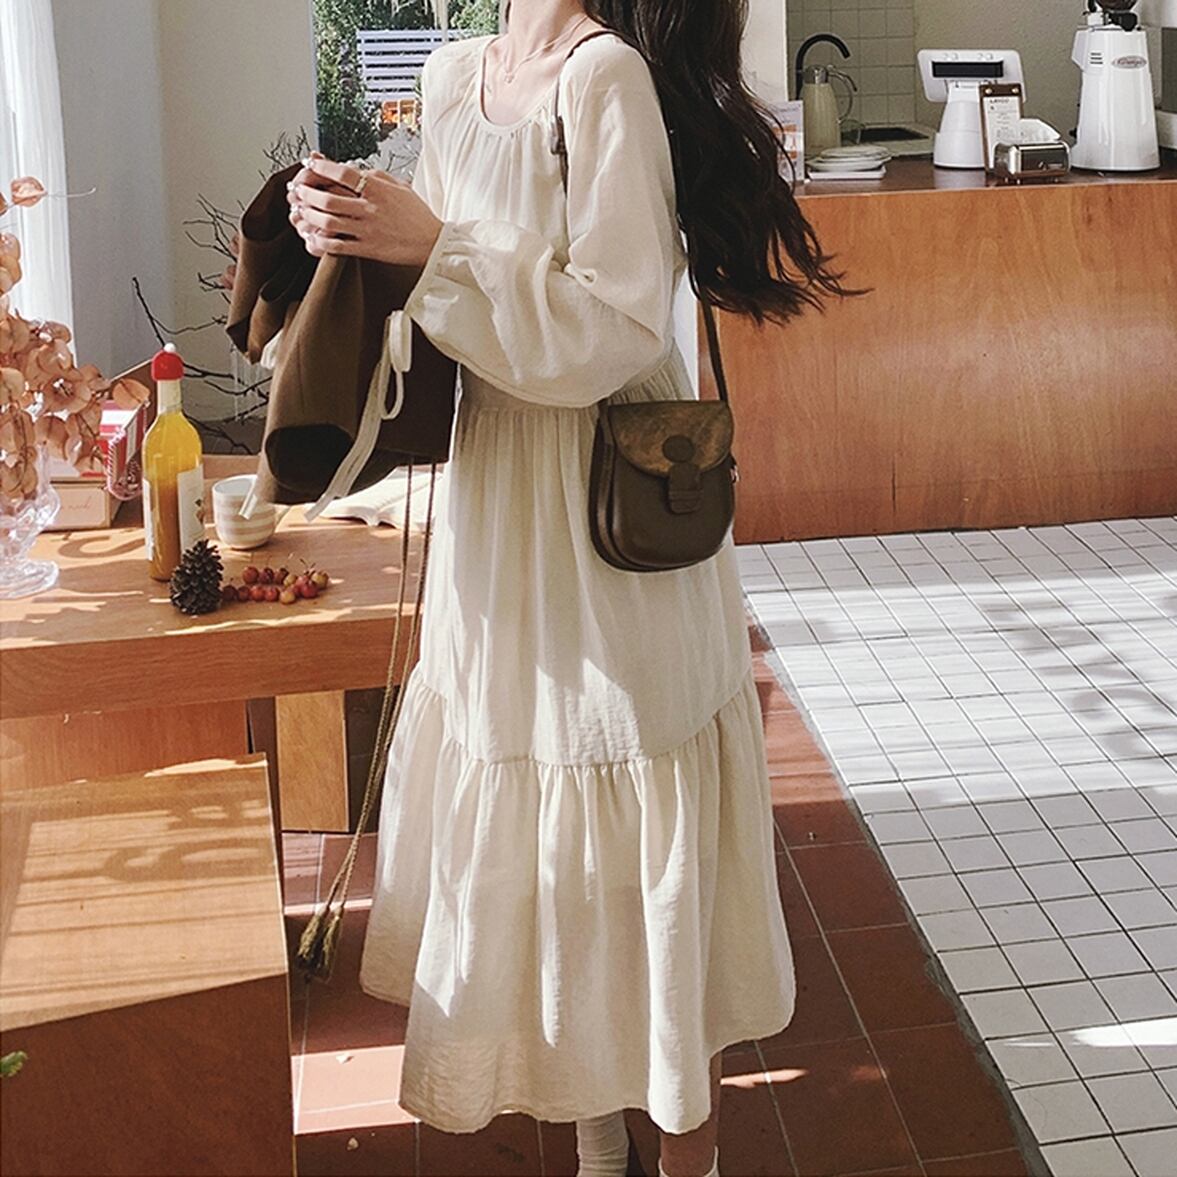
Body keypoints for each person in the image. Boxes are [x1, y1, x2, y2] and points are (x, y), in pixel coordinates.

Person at [286, 2, 852, 1174]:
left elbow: (612, 325)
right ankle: (599, 1158)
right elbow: (437, 317)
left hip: (606, 521)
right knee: (555, 867)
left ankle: (686, 1161)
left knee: (632, 839)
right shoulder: (455, 75)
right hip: (500, 506)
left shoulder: (604, 82)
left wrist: (435, 247)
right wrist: (350, 237)